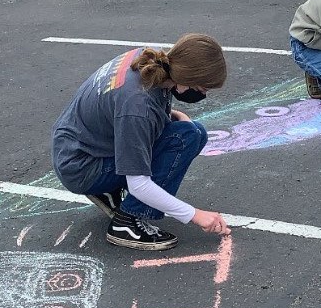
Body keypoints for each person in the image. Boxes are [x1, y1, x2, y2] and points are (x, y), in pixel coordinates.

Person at [52, 34, 231, 251]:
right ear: (188, 77)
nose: (204, 94)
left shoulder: (150, 57)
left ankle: (107, 190)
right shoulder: (138, 108)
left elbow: (123, 110)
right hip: (82, 168)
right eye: (203, 89)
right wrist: (195, 215)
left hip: (77, 147)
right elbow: (139, 184)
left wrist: (172, 117)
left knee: (193, 132)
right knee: (185, 139)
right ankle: (127, 223)